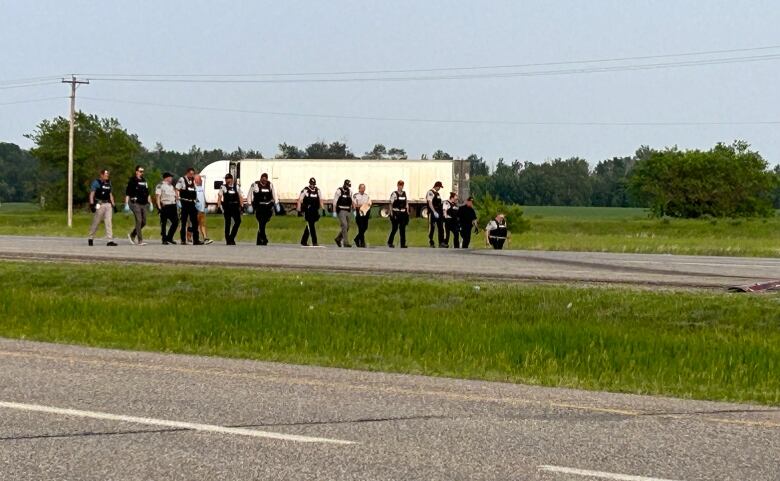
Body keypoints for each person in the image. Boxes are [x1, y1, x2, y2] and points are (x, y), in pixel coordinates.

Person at [246, 172, 279, 246]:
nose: (264, 181)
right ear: (260, 178)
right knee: (261, 223)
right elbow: (249, 194)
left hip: (267, 207)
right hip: (259, 207)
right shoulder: (255, 185)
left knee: (263, 223)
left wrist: (276, 203)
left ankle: (259, 240)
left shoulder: (270, 185)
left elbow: (274, 194)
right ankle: (264, 238)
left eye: (266, 179)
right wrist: (249, 204)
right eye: (263, 179)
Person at [87, 168, 118, 246]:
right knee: (96, 221)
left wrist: (114, 205)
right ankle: (91, 237)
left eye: (108, 174)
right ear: (101, 175)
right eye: (105, 174)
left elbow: (110, 194)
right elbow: (92, 194)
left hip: (108, 204)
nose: (107, 176)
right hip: (99, 204)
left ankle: (109, 240)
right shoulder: (96, 183)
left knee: (108, 222)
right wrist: (91, 204)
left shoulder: (109, 183)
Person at [124, 165, 153, 246]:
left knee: (144, 222)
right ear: (136, 171)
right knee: (139, 220)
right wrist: (126, 204)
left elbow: (147, 193)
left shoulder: (144, 181)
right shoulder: (132, 181)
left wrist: (151, 203)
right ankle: (140, 240)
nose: (142, 173)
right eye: (140, 171)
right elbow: (128, 193)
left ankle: (132, 234)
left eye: (142, 171)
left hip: (143, 203)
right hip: (134, 203)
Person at [176, 167, 201, 245]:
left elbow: (194, 191)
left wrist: (196, 199)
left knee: (195, 222)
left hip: (192, 203)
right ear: (187, 173)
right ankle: (183, 240)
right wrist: (178, 199)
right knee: (183, 222)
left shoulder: (193, 181)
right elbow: (177, 189)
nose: (191, 175)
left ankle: (196, 240)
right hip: (185, 203)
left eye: (193, 174)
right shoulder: (182, 180)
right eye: (190, 174)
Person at [217, 173, 244, 245]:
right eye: (226, 179)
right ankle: (228, 239)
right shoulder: (223, 187)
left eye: (228, 179)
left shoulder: (236, 187)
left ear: (232, 179)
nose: (227, 180)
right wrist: (219, 206)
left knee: (238, 221)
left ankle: (231, 237)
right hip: (227, 207)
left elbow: (240, 196)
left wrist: (242, 206)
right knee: (228, 223)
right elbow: (219, 197)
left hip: (235, 207)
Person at [296, 177, 324, 246]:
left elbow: (320, 200)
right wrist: (299, 209)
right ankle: (314, 241)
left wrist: (323, 209)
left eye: (313, 184)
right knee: (311, 225)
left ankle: (303, 240)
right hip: (308, 210)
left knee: (309, 225)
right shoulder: (306, 190)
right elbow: (300, 199)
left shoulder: (318, 190)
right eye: (311, 184)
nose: (312, 185)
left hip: (315, 210)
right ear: (309, 183)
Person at [187, 174, 213, 245]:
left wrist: (205, 204)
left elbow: (202, 197)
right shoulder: (193, 188)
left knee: (202, 224)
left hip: (202, 210)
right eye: (199, 179)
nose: (201, 180)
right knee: (192, 225)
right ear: (196, 180)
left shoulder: (201, 188)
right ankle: (189, 238)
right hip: (195, 210)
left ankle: (205, 238)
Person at [155, 172, 178, 244]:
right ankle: (164, 239)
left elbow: (175, 196)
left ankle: (169, 237)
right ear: (167, 177)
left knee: (176, 222)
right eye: (171, 177)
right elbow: (158, 197)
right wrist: (159, 207)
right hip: (165, 206)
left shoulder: (171, 186)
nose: (172, 179)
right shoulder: (160, 185)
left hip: (172, 206)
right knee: (163, 223)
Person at [387, 180, 409, 248]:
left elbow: (406, 203)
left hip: (403, 213)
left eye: (402, 185)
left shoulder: (404, 193)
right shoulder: (394, 194)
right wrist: (391, 213)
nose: (401, 186)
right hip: (396, 212)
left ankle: (403, 244)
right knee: (395, 228)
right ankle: (390, 242)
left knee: (402, 229)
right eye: (399, 185)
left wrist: (407, 211)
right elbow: (391, 203)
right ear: (397, 185)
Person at [333, 179, 353, 247]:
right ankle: (346, 242)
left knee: (347, 227)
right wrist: (334, 211)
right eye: (347, 185)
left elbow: (351, 201)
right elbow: (335, 201)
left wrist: (354, 209)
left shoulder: (350, 191)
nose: (348, 187)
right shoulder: (339, 191)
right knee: (344, 225)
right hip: (341, 210)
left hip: (348, 210)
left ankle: (338, 239)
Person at [426, 181, 445, 247]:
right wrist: (434, 211)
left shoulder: (438, 194)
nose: (439, 188)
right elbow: (430, 203)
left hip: (439, 212)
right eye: (439, 187)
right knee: (432, 228)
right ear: (436, 186)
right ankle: (431, 242)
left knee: (441, 227)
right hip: (432, 212)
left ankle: (441, 242)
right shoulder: (430, 192)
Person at [352, 183, 371, 248]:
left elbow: (369, 203)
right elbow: (354, 204)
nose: (363, 189)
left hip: (365, 212)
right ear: (359, 189)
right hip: (359, 212)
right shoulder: (356, 195)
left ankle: (357, 239)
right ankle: (362, 242)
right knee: (361, 227)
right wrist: (356, 208)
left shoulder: (366, 196)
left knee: (365, 227)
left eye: (364, 188)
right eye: (362, 188)